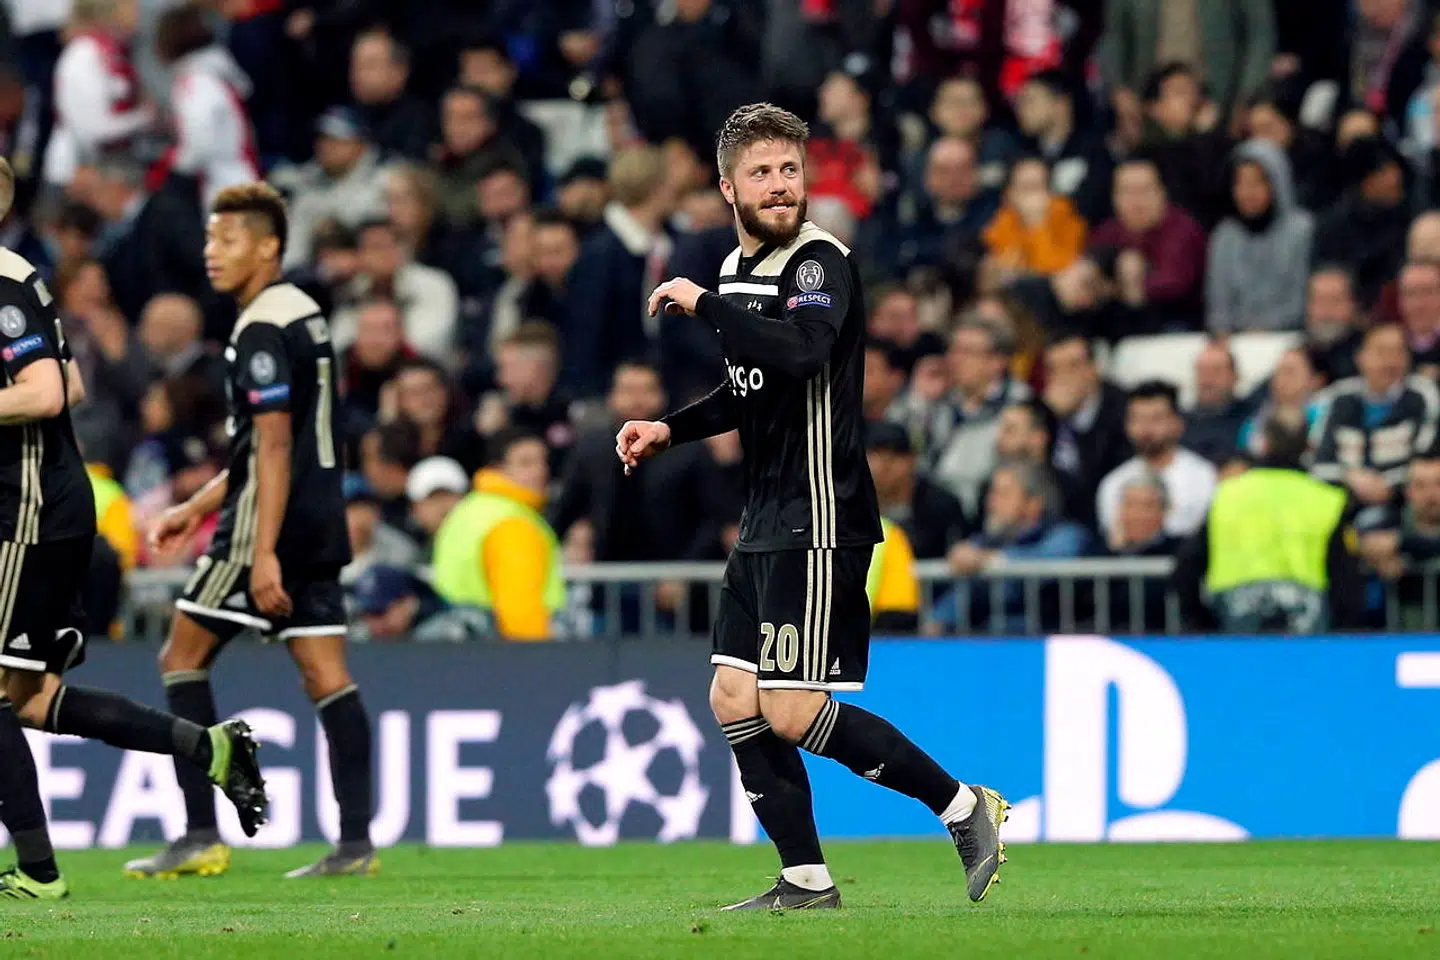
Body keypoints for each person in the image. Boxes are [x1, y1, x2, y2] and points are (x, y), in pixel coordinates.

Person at [619, 104, 1008, 911]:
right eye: (761, 172)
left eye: (791, 170)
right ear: (728, 186)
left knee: (791, 708)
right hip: (765, 513)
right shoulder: (732, 271)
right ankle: (804, 879)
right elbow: (747, 388)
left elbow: (801, 354)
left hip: (822, 511)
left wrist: (703, 305)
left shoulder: (817, 263)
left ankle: (963, 806)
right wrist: (669, 427)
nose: (780, 185)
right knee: (734, 697)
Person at [0, 159, 265, 900]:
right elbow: (75, 380)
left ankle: (39, 873)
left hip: (24, 513)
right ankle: (208, 748)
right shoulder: (23, 276)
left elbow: (49, 391)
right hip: (44, 508)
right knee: (28, 700)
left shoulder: (3, 281)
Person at [125, 184, 375, 881]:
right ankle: (356, 845)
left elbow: (268, 448)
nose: (212, 253)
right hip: (320, 518)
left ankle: (201, 831)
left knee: (179, 658)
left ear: (268, 247)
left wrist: (259, 550)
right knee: (328, 677)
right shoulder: (304, 313)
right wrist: (197, 504)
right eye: (210, 240)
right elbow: (278, 442)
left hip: (266, 527)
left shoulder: (261, 326)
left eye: (229, 239)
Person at [1173, 416, 1364, 632]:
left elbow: (1188, 564)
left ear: (1263, 444)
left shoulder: (1228, 494)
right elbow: (1346, 580)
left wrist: (1201, 623)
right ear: (1309, 447)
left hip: (1236, 615)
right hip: (1307, 618)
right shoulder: (1327, 498)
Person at [430, 428, 566, 641]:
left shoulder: (469, 509)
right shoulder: (512, 522)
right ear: (498, 469)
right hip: (500, 648)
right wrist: (540, 657)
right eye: (526, 463)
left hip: (457, 640)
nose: (541, 471)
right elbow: (520, 608)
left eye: (543, 462)